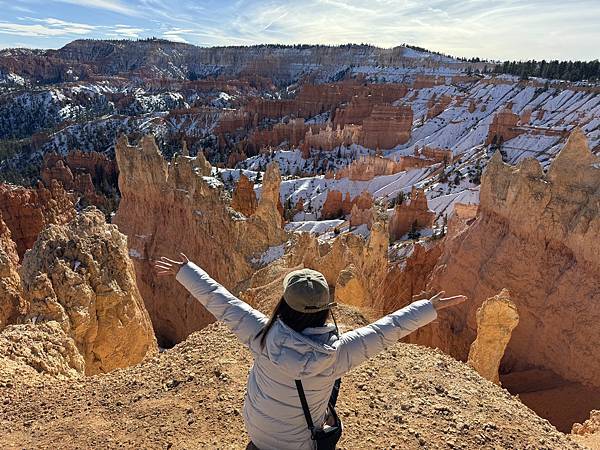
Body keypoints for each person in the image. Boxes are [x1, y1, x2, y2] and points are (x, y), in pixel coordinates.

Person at [155, 254, 466, 450]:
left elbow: (222, 302)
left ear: (284, 304)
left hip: (258, 433)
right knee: (334, 384)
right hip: (301, 444)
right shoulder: (339, 353)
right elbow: (386, 330)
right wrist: (428, 307)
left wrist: (187, 271)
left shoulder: (261, 335)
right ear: (324, 311)